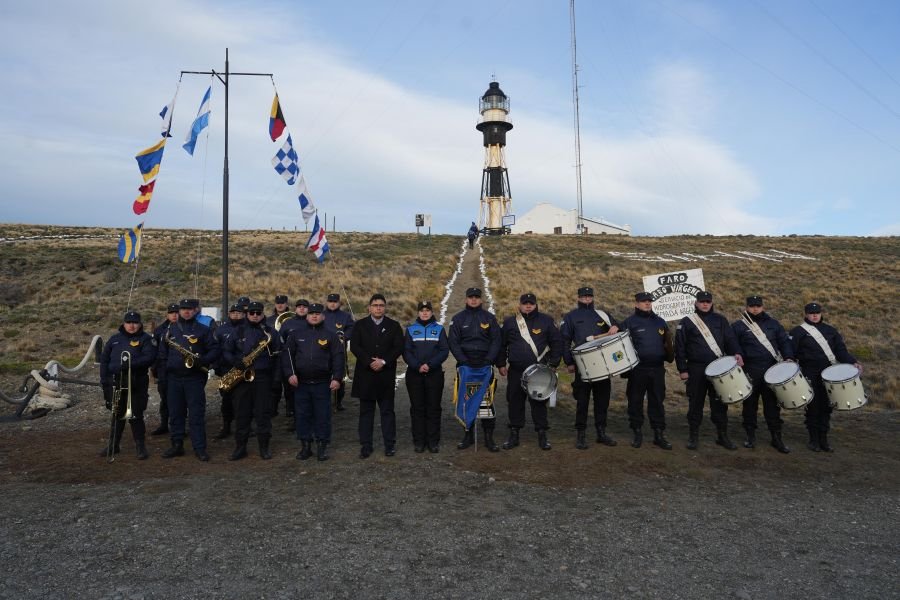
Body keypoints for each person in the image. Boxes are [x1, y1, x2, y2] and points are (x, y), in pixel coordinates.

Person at [675, 291, 744, 450]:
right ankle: (693, 437)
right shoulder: (686, 322)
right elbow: (680, 347)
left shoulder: (720, 320)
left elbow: (730, 340)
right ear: (696, 303)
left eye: (708, 301)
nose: (705, 304)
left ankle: (722, 436)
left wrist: (737, 353)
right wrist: (682, 369)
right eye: (702, 302)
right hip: (695, 368)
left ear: (712, 303)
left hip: (718, 367)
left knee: (720, 404)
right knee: (695, 403)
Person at [790, 302, 862, 452]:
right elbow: (791, 352)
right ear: (806, 314)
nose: (815, 315)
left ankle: (824, 439)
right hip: (810, 372)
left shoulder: (831, 331)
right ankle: (813, 440)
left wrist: (853, 362)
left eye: (817, 312)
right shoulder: (798, 332)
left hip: (829, 372)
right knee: (813, 407)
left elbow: (841, 351)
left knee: (826, 407)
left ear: (821, 313)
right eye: (811, 313)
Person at [497, 293, 564, 451]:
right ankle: (514, 434)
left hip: (539, 371)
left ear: (535, 305)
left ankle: (542, 435)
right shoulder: (510, 322)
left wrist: (553, 363)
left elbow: (557, 343)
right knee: (514, 402)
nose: (528, 306)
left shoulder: (546, 321)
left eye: (531, 303)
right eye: (525, 303)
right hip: (516, 370)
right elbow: (501, 345)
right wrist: (501, 364)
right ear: (519, 305)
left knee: (539, 403)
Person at [158, 298, 220, 461]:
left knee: (196, 414)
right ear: (179, 311)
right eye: (183, 308)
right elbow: (162, 355)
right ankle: (176, 445)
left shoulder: (203, 330)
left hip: (194, 378)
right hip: (173, 379)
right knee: (175, 414)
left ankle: (199, 448)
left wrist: (204, 360)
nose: (186, 311)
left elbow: (214, 349)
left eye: (190, 308)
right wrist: (163, 376)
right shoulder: (169, 330)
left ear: (196, 310)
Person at [560, 286, 621, 449]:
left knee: (603, 400)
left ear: (592, 297)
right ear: (578, 298)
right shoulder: (571, 317)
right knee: (582, 401)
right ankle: (581, 434)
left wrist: (616, 327)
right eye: (584, 296)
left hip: (604, 365)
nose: (587, 298)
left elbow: (617, 328)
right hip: (583, 364)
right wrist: (569, 362)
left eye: (589, 296)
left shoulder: (602, 314)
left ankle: (601, 432)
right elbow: (564, 341)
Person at [732, 295, 795, 453]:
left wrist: (788, 357)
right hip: (749, 370)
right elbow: (733, 344)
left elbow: (784, 342)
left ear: (762, 307)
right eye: (752, 306)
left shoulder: (773, 324)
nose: (755, 308)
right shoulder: (738, 326)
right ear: (746, 307)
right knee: (749, 406)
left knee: (772, 407)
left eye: (758, 306)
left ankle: (776, 438)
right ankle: (750, 437)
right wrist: (737, 354)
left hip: (771, 370)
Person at [282, 303, 345, 461]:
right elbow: (287, 355)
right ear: (307, 315)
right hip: (301, 384)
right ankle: (305, 446)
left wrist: (337, 378)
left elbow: (338, 358)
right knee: (302, 415)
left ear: (323, 316)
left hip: (322, 383)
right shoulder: (296, 334)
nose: (314, 316)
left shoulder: (330, 335)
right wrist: (290, 374)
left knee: (322, 416)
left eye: (317, 313)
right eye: (311, 313)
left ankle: (322, 446)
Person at [224, 301, 282, 461]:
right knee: (241, 414)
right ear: (247, 314)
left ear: (263, 314)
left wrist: (277, 379)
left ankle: (264, 448)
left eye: (258, 313)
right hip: (242, 378)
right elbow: (227, 351)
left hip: (263, 378)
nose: (255, 315)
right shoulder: (238, 331)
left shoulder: (271, 333)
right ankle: (240, 448)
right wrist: (235, 361)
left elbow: (278, 357)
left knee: (263, 414)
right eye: (252, 313)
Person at [349, 294, 404, 458]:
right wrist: (369, 361)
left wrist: (384, 361)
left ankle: (389, 445)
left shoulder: (394, 326)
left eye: (381, 305)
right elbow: (355, 346)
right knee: (366, 412)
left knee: (387, 412)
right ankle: (366, 445)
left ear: (385, 307)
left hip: (385, 376)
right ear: (369, 307)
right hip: (365, 375)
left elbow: (398, 347)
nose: (378, 308)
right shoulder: (359, 325)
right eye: (375, 305)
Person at [448, 287, 502, 451]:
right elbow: (453, 342)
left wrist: (489, 359)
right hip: (466, 366)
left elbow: (496, 341)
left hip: (485, 365)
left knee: (487, 401)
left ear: (481, 299)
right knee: (466, 400)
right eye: (470, 297)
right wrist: (463, 361)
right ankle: (468, 435)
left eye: (476, 297)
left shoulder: (489, 318)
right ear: (466, 299)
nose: (473, 300)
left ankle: (488, 438)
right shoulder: (458, 319)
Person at [99, 311, 158, 459]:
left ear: (139, 324)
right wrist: (104, 379)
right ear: (124, 323)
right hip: (116, 382)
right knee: (117, 414)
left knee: (135, 415)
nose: (132, 326)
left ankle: (140, 446)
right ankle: (113, 445)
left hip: (136, 382)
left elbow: (149, 357)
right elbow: (104, 360)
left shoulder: (145, 339)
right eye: (129, 322)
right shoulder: (114, 339)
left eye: (135, 323)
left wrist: (129, 364)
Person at [621, 292, 673, 450]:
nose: (647, 304)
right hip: (638, 370)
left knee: (657, 401)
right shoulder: (629, 322)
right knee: (635, 401)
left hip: (657, 369)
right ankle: (637, 433)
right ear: (636, 304)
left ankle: (658, 434)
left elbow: (667, 343)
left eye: (649, 301)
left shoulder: (660, 322)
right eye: (644, 301)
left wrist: (669, 355)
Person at [403, 301, 450, 453]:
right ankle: (419, 441)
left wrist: (430, 365)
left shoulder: (439, 329)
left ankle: (433, 441)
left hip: (434, 374)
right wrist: (418, 366)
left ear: (431, 312)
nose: (425, 313)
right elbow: (406, 351)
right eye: (422, 310)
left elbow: (444, 350)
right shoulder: (410, 329)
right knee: (417, 408)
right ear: (418, 312)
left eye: (427, 310)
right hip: (415, 374)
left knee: (433, 408)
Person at [212, 303, 245, 440]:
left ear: (243, 314)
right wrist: (217, 367)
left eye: (239, 312)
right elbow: (215, 349)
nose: (236, 315)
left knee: (243, 401)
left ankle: (243, 427)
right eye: (233, 313)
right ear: (229, 314)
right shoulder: (220, 330)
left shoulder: (247, 328)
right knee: (226, 400)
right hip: (226, 369)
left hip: (244, 369)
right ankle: (226, 426)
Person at [150, 303, 179, 436]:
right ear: (167, 314)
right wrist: (155, 369)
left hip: (179, 369)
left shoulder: (185, 328)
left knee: (179, 400)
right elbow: (153, 351)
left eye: (176, 312)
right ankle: (164, 424)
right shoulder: (160, 330)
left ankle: (179, 426)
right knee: (165, 398)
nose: (174, 315)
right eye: (171, 312)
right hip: (163, 370)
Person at [323, 293, 354, 412]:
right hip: (322, 351)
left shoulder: (345, 316)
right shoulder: (321, 314)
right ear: (327, 302)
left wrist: (344, 336)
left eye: (335, 301)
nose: (332, 303)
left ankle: (338, 402)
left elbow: (352, 328)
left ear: (339, 303)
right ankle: (324, 400)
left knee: (339, 376)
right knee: (324, 376)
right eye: (330, 301)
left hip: (339, 351)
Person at [267, 294, 292, 417]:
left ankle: (290, 409)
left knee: (289, 385)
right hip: (274, 356)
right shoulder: (269, 320)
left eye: (283, 302)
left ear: (287, 304)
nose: (280, 305)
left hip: (289, 355)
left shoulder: (293, 318)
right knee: (275, 385)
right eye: (278, 303)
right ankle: (273, 409)